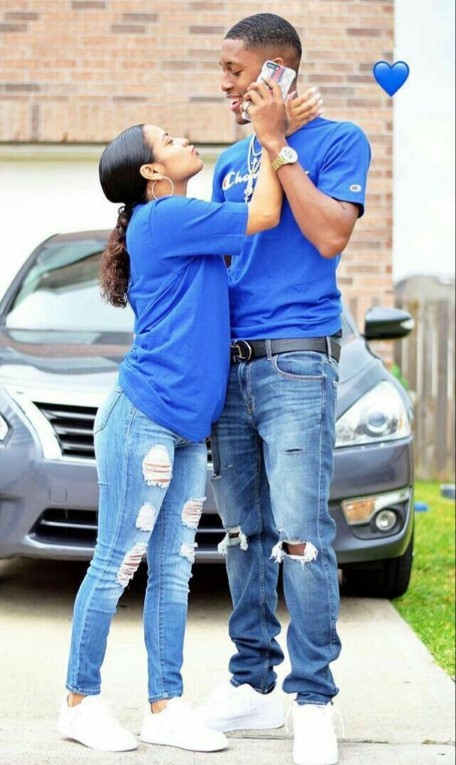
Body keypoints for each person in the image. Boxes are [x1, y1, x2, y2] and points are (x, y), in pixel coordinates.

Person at [57, 77, 294, 754]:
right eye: (167, 139)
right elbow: (263, 214)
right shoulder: (165, 218)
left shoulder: (180, 224)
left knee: (175, 567)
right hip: (145, 417)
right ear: (152, 171)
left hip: (187, 426)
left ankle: (165, 706)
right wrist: (273, 141)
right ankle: (79, 701)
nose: (183, 137)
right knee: (118, 561)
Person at [200, 13, 371, 765]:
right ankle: (252, 681)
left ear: (276, 73)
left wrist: (279, 145)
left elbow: (331, 234)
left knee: (302, 534)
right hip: (229, 367)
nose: (226, 85)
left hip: (297, 361)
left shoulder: (339, 142)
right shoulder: (228, 162)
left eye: (236, 72)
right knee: (244, 535)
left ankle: (312, 697)